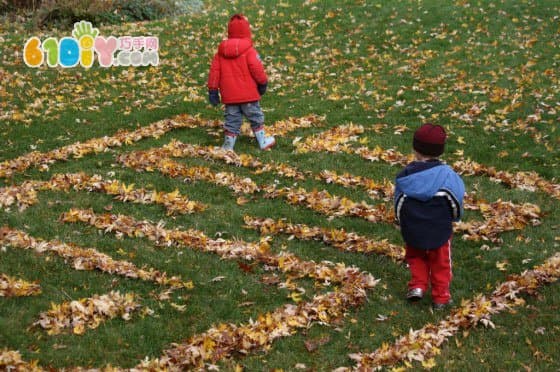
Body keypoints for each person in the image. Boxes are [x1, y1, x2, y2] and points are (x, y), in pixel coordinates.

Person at [393, 123, 465, 310]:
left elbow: (399, 202)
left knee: (415, 256)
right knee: (441, 262)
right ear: (440, 151)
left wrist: (402, 222)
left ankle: (417, 285)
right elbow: (455, 201)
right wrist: (455, 218)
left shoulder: (405, 176)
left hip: (413, 228)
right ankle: (440, 297)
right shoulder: (448, 177)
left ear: (415, 149)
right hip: (439, 229)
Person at [207, 14, 275, 151]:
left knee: (231, 120)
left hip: (230, 97)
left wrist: (213, 90)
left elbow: (214, 73)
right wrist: (263, 83)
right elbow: (257, 69)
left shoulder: (220, 53)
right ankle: (262, 141)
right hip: (249, 95)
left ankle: (228, 146)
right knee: (255, 117)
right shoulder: (249, 51)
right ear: (247, 31)